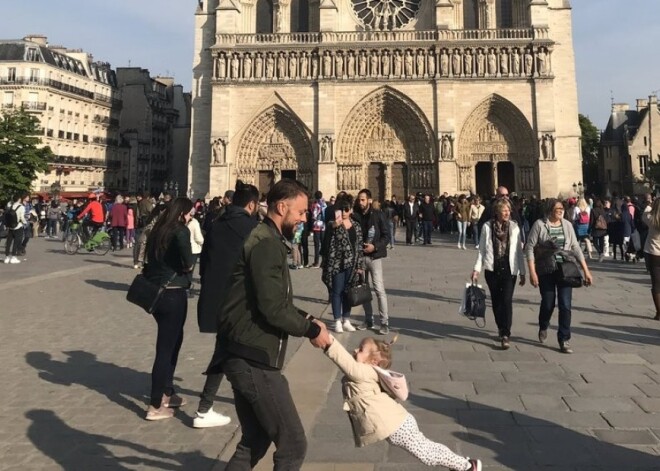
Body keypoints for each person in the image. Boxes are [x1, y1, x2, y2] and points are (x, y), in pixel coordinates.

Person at [211, 179, 331, 470]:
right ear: (281, 206)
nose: (305, 218)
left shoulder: (268, 238)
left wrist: (308, 318)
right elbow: (272, 308)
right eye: (301, 212)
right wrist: (311, 330)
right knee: (293, 445)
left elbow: (274, 300)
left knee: (256, 437)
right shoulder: (266, 243)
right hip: (253, 355)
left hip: (244, 351)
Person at [322, 335, 482, 471]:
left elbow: (346, 364)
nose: (356, 350)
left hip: (397, 425)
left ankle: (467, 466)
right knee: (428, 448)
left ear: (373, 362)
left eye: (361, 349)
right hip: (397, 423)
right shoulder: (365, 371)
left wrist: (328, 340)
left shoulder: (365, 371)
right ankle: (463, 464)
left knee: (427, 454)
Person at [195, 181, 260, 428]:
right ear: (252, 204)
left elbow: (205, 263)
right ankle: (206, 408)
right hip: (240, 300)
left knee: (227, 349)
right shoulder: (251, 227)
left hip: (216, 298)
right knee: (240, 350)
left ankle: (207, 407)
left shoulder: (216, 223)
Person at [142, 198, 196, 420]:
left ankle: (167, 392)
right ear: (182, 213)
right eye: (190, 213)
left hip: (158, 293)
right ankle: (156, 404)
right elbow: (189, 262)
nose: (192, 216)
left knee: (173, 342)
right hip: (173, 294)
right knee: (166, 348)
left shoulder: (158, 230)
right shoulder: (180, 231)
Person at [525, 199, 593, 354]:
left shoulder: (567, 225)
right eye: (557, 209)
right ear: (550, 210)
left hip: (565, 268)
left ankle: (564, 338)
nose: (561, 211)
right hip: (546, 269)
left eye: (562, 208)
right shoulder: (539, 225)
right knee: (548, 302)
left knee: (565, 304)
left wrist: (586, 270)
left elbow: (575, 247)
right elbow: (529, 247)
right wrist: (532, 271)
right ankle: (543, 324)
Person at [471, 200, 526, 349]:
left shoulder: (514, 227)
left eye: (508, 210)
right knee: (496, 300)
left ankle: (506, 332)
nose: (508, 213)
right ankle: (501, 327)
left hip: (510, 268)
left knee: (506, 300)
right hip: (492, 268)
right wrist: (477, 269)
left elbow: (519, 252)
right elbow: (482, 249)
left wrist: (523, 272)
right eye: (504, 210)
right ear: (497, 212)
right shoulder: (487, 227)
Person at [321, 194, 365, 333]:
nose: (345, 212)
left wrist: (360, 265)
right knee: (337, 291)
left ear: (351, 210)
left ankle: (346, 319)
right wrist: (334, 225)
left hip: (352, 264)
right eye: (342, 209)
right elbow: (326, 238)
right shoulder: (333, 224)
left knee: (348, 292)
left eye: (347, 209)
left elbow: (359, 246)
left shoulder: (356, 226)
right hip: (337, 263)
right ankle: (337, 321)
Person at [355, 189, 391, 334]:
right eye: (359, 199)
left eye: (363, 199)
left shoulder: (378, 215)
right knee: (364, 290)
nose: (360, 202)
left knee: (379, 289)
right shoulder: (355, 216)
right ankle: (368, 319)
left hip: (374, 257)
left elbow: (386, 236)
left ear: (369, 200)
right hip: (361, 257)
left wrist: (374, 246)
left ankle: (384, 322)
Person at [643, 198, 660, 320]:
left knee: (656, 284)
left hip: (653, 253)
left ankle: (659, 312)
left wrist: (650, 204)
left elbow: (645, 213)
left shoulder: (651, 219)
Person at [4, 193, 28, 264]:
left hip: (10, 226)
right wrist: (25, 222)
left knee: (8, 242)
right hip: (18, 226)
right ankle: (13, 257)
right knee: (16, 242)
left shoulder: (10, 206)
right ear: (19, 199)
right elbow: (22, 217)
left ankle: (7, 257)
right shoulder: (21, 207)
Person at [310, 191, 326, 267]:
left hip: (316, 226)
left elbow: (314, 216)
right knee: (323, 244)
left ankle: (316, 262)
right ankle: (324, 261)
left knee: (317, 245)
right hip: (323, 226)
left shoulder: (315, 205)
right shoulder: (324, 204)